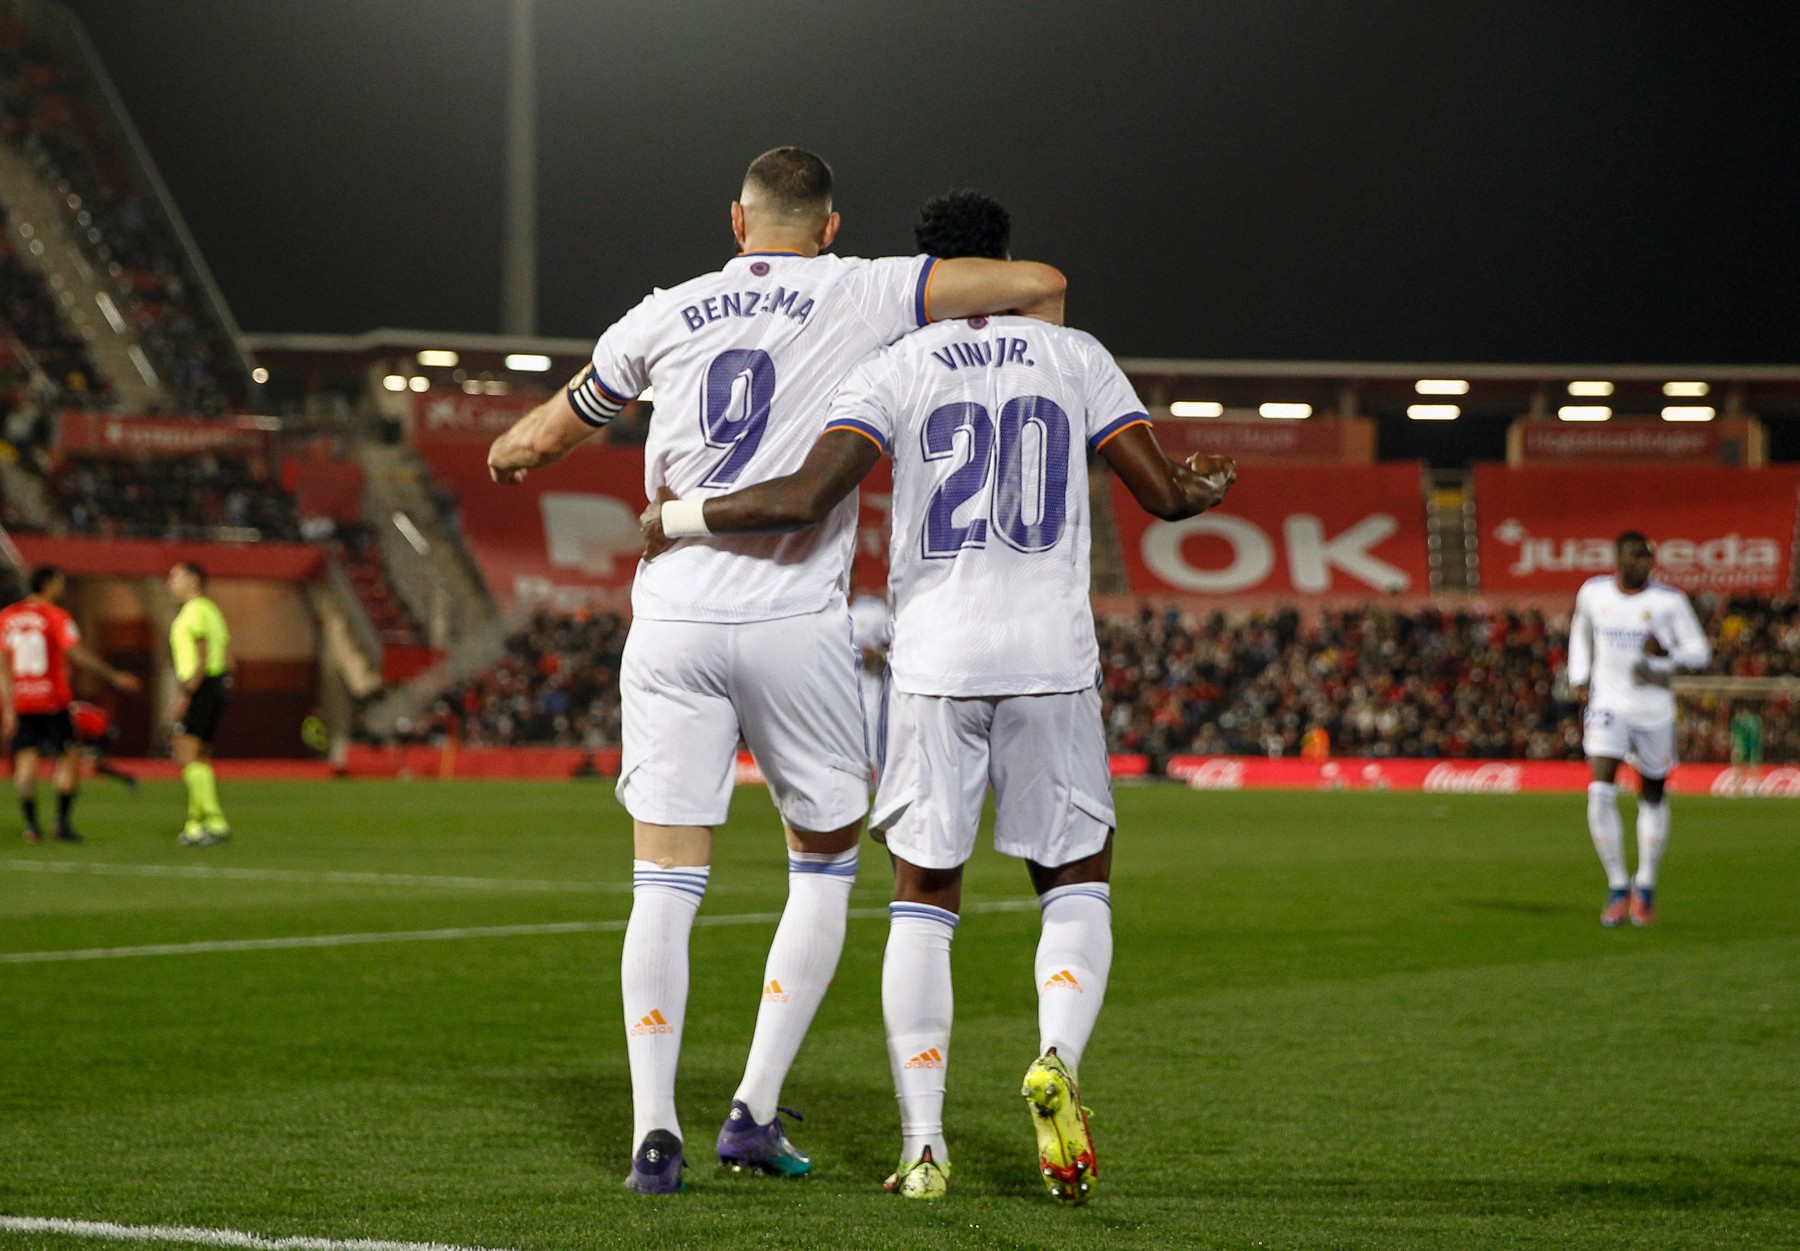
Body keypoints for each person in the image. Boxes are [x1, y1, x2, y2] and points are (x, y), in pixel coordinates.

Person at [484, 148, 1068, 1193]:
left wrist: (509, 453)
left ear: (738, 220)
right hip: (794, 619)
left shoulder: (663, 312)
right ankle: (750, 1109)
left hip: (670, 620)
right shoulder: (862, 286)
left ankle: (652, 1130)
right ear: (830, 226)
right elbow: (1028, 287)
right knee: (824, 863)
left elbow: (535, 442)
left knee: (662, 882)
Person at [641, 190, 1235, 1203]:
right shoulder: (1079, 357)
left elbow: (804, 497)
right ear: (1005, 261)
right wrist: (1207, 479)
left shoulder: (896, 364)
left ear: (934, 269)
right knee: (1075, 884)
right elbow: (1167, 496)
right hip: (1052, 655)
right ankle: (1056, 1057)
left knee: (923, 904)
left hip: (933, 663)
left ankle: (924, 1147)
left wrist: (681, 514)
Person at [1567, 533, 1710, 928]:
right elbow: (1581, 631)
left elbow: (1701, 652)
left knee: (1651, 793)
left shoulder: (1669, 601)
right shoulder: (1593, 593)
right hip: (1607, 706)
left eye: (1648, 556)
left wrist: (1670, 654)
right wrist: (1579, 675)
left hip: (1653, 710)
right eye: (1636, 555)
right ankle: (1617, 886)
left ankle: (1644, 885)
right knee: (1599, 789)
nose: (1644, 562)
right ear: (1618, 558)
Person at [0, 566, 141, 843]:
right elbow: (76, 652)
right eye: (60, 583)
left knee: (26, 764)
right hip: (52, 702)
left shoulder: (6, 617)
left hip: (21, 702)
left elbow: (4, 669)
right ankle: (61, 823)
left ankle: (31, 826)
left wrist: (8, 708)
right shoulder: (56, 616)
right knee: (68, 758)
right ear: (50, 584)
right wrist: (113, 676)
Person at [166, 561, 234, 846]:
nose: (170, 582)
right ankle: (195, 824)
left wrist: (186, 694)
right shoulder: (211, 610)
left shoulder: (193, 612)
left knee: (186, 753)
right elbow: (230, 657)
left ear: (193, 580)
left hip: (200, 685)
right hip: (216, 684)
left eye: (175, 576)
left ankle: (215, 820)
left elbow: (202, 651)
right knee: (200, 757)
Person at [848, 589, 891, 770]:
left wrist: (875, 656)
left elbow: (891, 651)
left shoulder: (872, 610)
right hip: (835, 692)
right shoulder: (821, 610)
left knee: (872, 748)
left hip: (868, 689)